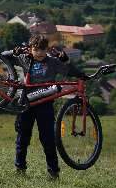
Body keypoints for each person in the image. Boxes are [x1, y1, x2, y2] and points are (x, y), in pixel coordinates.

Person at [15, 34, 85, 180]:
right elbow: (2, 57)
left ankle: (53, 172)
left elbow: (72, 72)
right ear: (30, 49)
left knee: (48, 139)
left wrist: (67, 61)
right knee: (23, 138)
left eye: (43, 49)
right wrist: (14, 52)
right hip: (26, 103)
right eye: (36, 49)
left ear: (47, 49)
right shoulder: (25, 59)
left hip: (45, 104)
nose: (39, 53)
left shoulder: (53, 62)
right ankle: (20, 168)